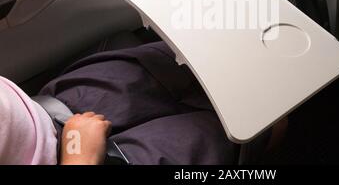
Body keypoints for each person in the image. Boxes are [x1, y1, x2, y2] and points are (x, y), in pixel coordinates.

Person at [0, 41, 237, 165]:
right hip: (80, 157)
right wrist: (79, 157)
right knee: (231, 129)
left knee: (184, 59)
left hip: (49, 109)